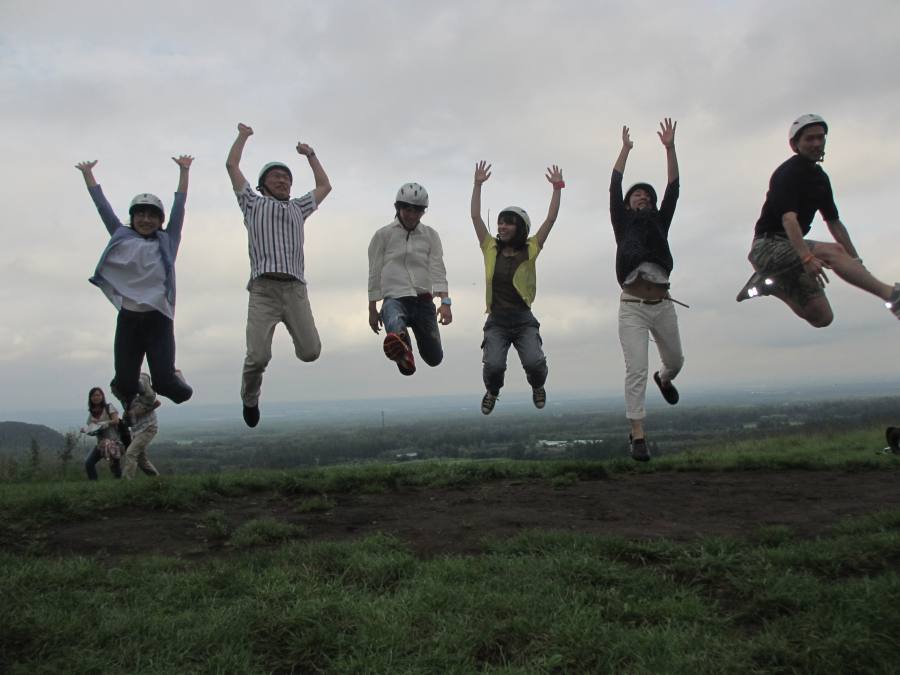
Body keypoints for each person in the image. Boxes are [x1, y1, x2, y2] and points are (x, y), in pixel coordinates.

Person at [737, 114, 900, 325]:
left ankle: (770, 286)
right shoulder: (787, 174)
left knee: (822, 317)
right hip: (768, 247)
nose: (816, 143)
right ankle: (892, 295)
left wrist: (857, 262)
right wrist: (806, 258)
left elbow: (834, 223)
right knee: (832, 251)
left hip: (792, 249)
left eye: (820, 138)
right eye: (809, 139)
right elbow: (789, 220)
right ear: (795, 144)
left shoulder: (820, 179)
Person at [226, 123, 332, 427]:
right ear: (263, 184)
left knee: (311, 352)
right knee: (258, 357)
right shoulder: (252, 204)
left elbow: (325, 186)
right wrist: (243, 136)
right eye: (276, 176)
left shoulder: (299, 208)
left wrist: (310, 155)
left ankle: (267, 381)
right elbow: (231, 165)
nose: (283, 180)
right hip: (263, 290)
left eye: (286, 177)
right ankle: (250, 397)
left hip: (295, 290)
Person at [76, 157, 194, 415]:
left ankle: (170, 376)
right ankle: (135, 394)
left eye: (152, 216)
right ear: (132, 218)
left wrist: (184, 171)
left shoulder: (167, 241)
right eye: (140, 214)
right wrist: (88, 176)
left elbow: (180, 208)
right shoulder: (121, 236)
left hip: (158, 319)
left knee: (171, 387)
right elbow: (102, 208)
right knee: (125, 384)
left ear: (160, 221)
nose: (146, 219)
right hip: (129, 318)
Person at [610, 119, 684, 462]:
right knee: (635, 369)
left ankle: (664, 379)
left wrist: (669, 147)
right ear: (628, 204)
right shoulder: (622, 222)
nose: (643, 196)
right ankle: (637, 435)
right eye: (637, 194)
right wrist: (625, 149)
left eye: (648, 195)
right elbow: (614, 186)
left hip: (663, 302)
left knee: (676, 361)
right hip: (632, 306)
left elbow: (673, 187)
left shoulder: (660, 221)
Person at [470, 161, 563, 414]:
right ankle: (492, 391)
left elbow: (551, 219)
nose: (502, 227)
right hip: (497, 320)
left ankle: (538, 385)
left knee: (534, 363)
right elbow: (476, 217)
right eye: (500, 222)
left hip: (523, 319)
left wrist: (557, 188)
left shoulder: (530, 249)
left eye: (508, 223)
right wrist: (477, 185)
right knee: (494, 366)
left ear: (520, 227)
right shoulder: (490, 247)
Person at [367, 183, 451, 376]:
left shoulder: (431, 235)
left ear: (423, 212)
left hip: (423, 300)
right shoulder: (383, 235)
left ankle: (403, 346)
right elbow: (374, 272)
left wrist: (445, 302)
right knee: (393, 316)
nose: (412, 214)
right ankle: (402, 348)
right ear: (398, 208)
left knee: (434, 358)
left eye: (417, 210)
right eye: (407, 209)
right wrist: (372, 308)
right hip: (395, 297)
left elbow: (438, 269)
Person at [123, 373, 161, 480]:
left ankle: (127, 482)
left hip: (148, 427)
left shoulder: (145, 394)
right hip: (137, 429)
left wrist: (139, 412)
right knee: (141, 459)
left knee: (131, 453)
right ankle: (157, 480)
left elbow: (155, 403)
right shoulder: (128, 399)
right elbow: (131, 417)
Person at [81, 387, 123, 480]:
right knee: (89, 463)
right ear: (90, 398)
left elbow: (116, 421)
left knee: (115, 466)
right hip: (101, 443)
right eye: (94, 395)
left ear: (102, 396)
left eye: (98, 395)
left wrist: (102, 423)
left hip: (113, 442)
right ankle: (94, 484)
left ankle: (120, 484)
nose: (96, 397)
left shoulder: (109, 407)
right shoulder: (92, 412)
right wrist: (86, 430)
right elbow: (92, 428)